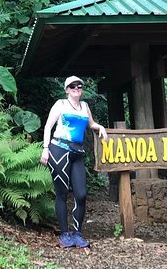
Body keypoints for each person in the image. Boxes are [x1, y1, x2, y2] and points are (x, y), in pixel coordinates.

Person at [40, 76, 108, 248]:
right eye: (72, 86)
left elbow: (91, 123)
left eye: (79, 86)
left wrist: (101, 128)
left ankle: (77, 233)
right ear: (67, 89)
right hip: (59, 151)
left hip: (77, 153)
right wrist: (45, 149)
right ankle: (64, 234)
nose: (76, 88)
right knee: (62, 193)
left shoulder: (85, 106)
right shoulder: (61, 104)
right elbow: (48, 126)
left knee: (81, 194)